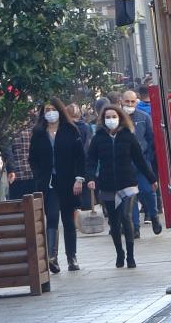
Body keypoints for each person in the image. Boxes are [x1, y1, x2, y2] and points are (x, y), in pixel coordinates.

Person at [87, 106, 158, 269]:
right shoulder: (98, 138)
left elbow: (140, 159)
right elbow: (90, 160)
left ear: (120, 118)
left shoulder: (128, 136)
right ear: (103, 120)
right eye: (107, 117)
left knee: (126, 217)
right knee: (114, 221)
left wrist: (151, 179)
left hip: (128, 184)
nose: (111, 120)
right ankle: (120, 253)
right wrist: (90, 178)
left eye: (114, 116)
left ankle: (131, 256)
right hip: (107, 184)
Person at [29, 99, 86, 273]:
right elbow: (33, 159)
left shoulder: (70, 130)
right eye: (47, 109)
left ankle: (72, 257)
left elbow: (80, 157)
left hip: (69, 182)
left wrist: (79, 178)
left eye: (53, 109)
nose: (50, 112)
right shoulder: (39, 133)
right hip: (49, 183)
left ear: (60, 111)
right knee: (52, 217)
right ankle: (52, 257)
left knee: (68, 220)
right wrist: (39, 177)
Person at [122, 90, 162, 237]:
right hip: (126, 164)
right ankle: (135, 227)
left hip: (143, 162)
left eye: (132, 101)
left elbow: (151, 139)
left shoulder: (144, 117)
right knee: (130, 196)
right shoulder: (118, 118)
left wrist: (148, 157)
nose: (130, 104)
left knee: (148, 191)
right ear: (122, 101)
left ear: (137, 101)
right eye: (127, 101)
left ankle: (154, 216)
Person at [6, 114, 37, 200]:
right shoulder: (35, 128)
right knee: (34, 207)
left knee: (18, 207)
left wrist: (11, 169)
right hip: (26, 175)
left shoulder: (9, 129)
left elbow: (7, 152)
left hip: (18, 175)